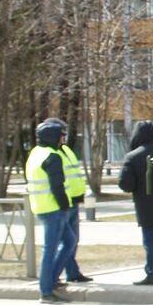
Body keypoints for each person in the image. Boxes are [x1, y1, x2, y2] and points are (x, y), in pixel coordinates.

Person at [26, 121, 74, 303]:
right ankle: (46, 290)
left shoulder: (36, 153)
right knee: (51, 249)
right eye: (61, 135)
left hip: (41, 206)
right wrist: (64, 206)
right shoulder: (52, 156)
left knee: (69, 241)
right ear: (53, 137)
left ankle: (51, 280)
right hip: (53, 208)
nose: (63, 139)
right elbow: (57, 186)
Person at [47, 118, 93, 286]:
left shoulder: (65, 150)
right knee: (66, 241)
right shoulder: (53, 152)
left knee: (73, 240)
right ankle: (57, 275)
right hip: (63, 203)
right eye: (62, 132)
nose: (64, 136)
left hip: (74, 201)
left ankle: (72, 272)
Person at [118, 121, 153, 286]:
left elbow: (125, 185)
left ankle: (152, 273)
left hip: (146, 207)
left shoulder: (133, 157)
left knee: (150, 242)